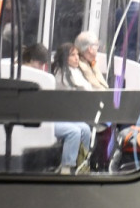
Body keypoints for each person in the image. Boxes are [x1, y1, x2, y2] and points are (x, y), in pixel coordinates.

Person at [24, 43, 91, 175]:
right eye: (39, 64)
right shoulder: (54, 76)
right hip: (40, 118)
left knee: (85, 129)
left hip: (49, 115)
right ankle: (66, 168)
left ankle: (82, 164)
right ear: (31, 61)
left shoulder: (41, 75)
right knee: (74, 132)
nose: (42, 68)